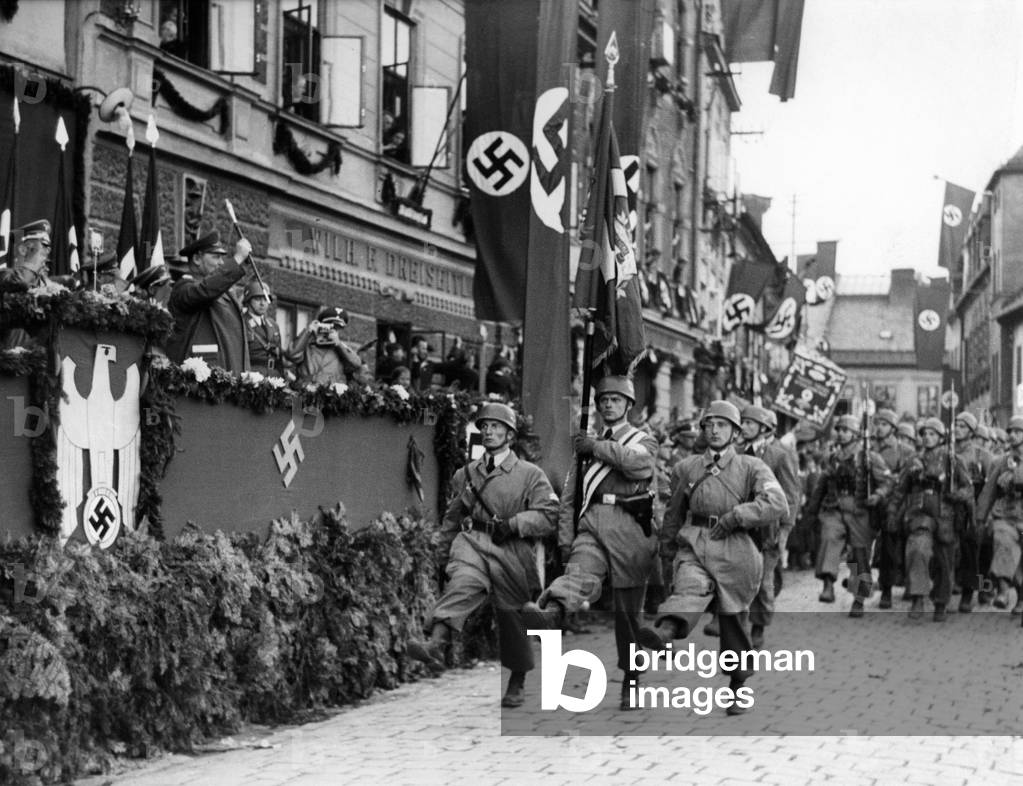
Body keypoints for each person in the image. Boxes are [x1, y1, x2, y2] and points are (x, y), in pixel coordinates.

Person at [635, 400, 788, 715]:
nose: (715, 430)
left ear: (734, 432)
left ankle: (737, 687)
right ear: (703, 430)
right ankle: (666, 630)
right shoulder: (687, 468)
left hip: (737, 547)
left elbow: (777, 502)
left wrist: (738, 516)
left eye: (723, 425)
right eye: (710, 424)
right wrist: (667, 550)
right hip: (696, 542)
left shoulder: (752, 467)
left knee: (734, 620)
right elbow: (674, 514)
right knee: (690, 587)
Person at [406, 403, 559, 708]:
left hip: (512, 548)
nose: (489, 431)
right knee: (462, 583)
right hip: (474, 540)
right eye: (484, 426)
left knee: (511, 614)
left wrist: (516, 523)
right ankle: (435, 644)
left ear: (510, 435)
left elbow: (549, 514)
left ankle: (517, 680)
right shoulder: (466, 474)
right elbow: (452, 517)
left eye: (496, 426)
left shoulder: (530, 474)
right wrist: (442, 551)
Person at [521, 375, 657, 711]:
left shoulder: (643, 440)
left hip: (630, 529)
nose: (609, 405)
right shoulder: (584, 447)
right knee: (577, 573)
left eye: (616, 400)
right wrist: (567, 540)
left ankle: (632, 680)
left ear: (628, 406)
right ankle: (552, 612)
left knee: (628, 616)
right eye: (604, 400)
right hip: (593, 523)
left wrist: (595, 448)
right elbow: (569, 497)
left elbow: (638, 465)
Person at [806, 414, 892, 617]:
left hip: (860, 510)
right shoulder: (832, 458)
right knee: (829, 536)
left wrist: (878, 496)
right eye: (839, 430)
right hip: (834, 507)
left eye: (846, 430)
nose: (841, 434)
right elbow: (821, 486)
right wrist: (811, 511)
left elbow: (887, 483)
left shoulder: (869, 457)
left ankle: (859, 598)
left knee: (859, 557)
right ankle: (828, 582)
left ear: (855, 434)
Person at [889, 418, 973, 621]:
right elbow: (900, 490)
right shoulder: (913, 461)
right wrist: (892, 512)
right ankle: (917, 597)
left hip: (945, 515)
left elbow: (968, 488)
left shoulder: (953, 460)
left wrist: (957, 495)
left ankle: (941, 602)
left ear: (942, 437)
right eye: (925, 433)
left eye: (933, 434)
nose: (927, 437)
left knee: (945, 562)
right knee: (917, 550)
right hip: (920, 514)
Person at [739, 405, 799, 649]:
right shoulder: (738, 451)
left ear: (764, 428)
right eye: (742, 423)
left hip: (768, 528)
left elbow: (791, 495)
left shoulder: (779, 454)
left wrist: (785, 529)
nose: (743, 427)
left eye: (749, 423)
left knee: (764, 582)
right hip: (743, 524)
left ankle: (759, 626)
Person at [166, 231, 251, 373]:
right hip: (200, 380)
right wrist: (237, 259)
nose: (221, 262)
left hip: (227, 378)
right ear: (197, 259)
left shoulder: (221, 292)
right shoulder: (183, 288)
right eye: (216, 257)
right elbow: (206, 290)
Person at [975, 417, 1023, 614]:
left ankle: (1021, 600)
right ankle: (1002, 590)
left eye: (1017, 431)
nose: (1012, 435)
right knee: (1002, 542)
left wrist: (1016, 476)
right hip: (1006, 514)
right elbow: (989, 490)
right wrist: (980, 517)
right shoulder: (1002, 461)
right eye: (1010, 431)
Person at [872, 408, 917, 609]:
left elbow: (907, 481)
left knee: (889, 549)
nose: (879, 428)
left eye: (884, 424)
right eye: (877, 423)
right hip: (869, 504)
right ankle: (858, 590)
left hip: (894, 506)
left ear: (892, 428)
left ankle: (887, 590)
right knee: (858, 551)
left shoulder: (904, 451)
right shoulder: (867, 447)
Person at [953, 411, 994, 609]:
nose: (958, 430)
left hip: (974, 507)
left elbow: (991, 486)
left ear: (971, 432)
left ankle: (977, 590)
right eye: (956, 425)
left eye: (963, 427)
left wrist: (984, 513)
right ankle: (955, 587)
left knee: (977, 550)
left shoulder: (981, 455)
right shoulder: (947, 451)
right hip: (950, 505)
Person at [1, 220, 53, 349]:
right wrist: (32, 262)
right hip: (10, 360)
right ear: (23, 250)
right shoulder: (5, 275)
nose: (48, 252)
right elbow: (21, 282)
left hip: (39, 359)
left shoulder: (45, 283)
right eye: (44, 246)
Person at [289, 306, 362, 386]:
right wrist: (308, 332)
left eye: (335, 328)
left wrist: (339, 344)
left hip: (331, 395)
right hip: (306, 393)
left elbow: (356, 364)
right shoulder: (307, 346)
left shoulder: (341, 349)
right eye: (327, 326)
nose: (330, 331)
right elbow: (292, 355)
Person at [243, 281, 285, 378]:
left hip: (273, 376)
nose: (262, 303)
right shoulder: (242, 323)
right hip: (252, 375)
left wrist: (281, 378)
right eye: (258, 299)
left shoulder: (273, 325)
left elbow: (279, 359)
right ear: (248, 301)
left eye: (265, 299)